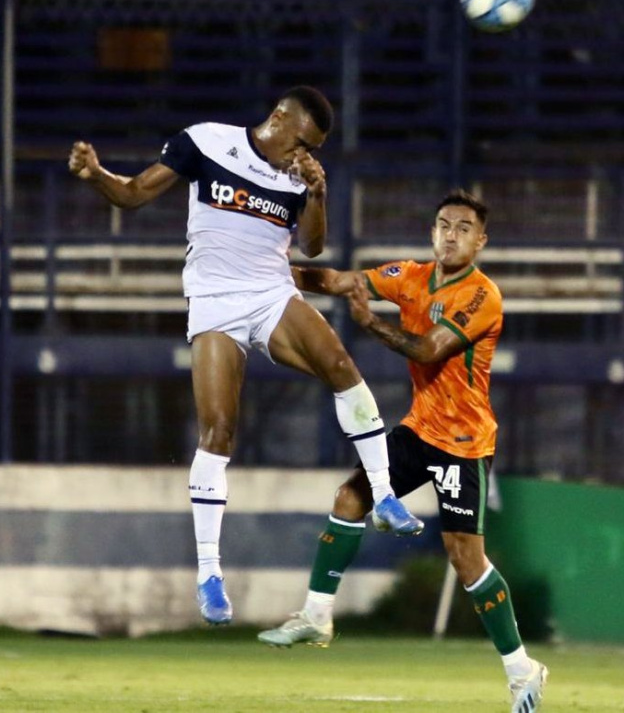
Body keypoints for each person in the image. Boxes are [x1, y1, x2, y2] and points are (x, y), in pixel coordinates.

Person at [67, 86, 423, 626]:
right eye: (302, 142)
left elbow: (312, 248)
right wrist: (96, 175)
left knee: (341, 366)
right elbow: (134, 194)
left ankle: (384, 494)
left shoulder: (299, 177)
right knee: (218, 432)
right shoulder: (207, 142)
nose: (305, 154)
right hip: (214, 301)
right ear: (278, 117)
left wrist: (318, 193)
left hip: (271, 294)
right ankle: (210, 574)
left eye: (314, 149)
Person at [257, 189, 548, 713]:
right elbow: (340, 280)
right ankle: (317, 615)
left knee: (465, 559)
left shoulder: (482, 296)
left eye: (463, 228)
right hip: (419, 430)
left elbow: (430, 349)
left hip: (463, 442)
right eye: (444, 225)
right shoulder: (410, 276)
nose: (451, 235)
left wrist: (371, 324)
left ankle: (522, 670)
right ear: (432, 232)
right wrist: (272, 271)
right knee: (350, 497)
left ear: (481, 241)